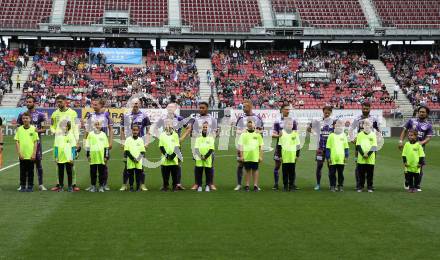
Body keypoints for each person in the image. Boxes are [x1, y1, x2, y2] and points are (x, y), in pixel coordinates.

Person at [180, 101, 218, 191]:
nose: (201, 109)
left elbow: (215, 132)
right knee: (198, 166)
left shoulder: (212, 119)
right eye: (200, 108)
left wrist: (211, 141)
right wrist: (182, 138)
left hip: (208, 145)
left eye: (203, 108)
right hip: (197, 145)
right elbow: (189, 129)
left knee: (210, 165)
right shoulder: (195, 119)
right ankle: (197, 184)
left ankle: (210, 183)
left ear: (207, 108)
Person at [50, 95, 81, 191]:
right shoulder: (54, 114)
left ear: (65, 101)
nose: (59, 103)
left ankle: (73, 184)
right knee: (59, 164)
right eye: (57, 102)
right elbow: (52, 126)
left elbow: (77, 126)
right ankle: (59, 184)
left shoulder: (73, 113)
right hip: (59, 141)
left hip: (70, 141)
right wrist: (54, 132)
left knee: (71, 164)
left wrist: (77, 140)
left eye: (61, 102)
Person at [17, 96, 48, 191]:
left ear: (34, 103)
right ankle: (23, 185)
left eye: (30, 102)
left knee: (38, 164)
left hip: (36, 143)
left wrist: (36, 130)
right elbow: (18, 128)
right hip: (24, 145)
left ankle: (41, 184)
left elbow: (44, 129)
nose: (28, 103)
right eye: (27, 102)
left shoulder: (40, 115)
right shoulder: (21, 114)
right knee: (24, 165)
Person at [398, 106, 432, 191]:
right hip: (409, 147)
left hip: (420, 149)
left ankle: (417, 185)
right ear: (418, 112)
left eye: (423, 112)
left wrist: (421, 143)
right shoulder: (411, 121)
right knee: (407, 165)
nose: (421, 113)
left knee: (419, 166)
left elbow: (428, 137)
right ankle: (407, 180)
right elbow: (404, 131)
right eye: (420, 111)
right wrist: (401, 141)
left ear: (427, 113)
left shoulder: (428, 125)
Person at [120, 98, 151, 191]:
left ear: (140, 104)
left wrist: (147, 142)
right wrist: (122, 142)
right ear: (130, 104)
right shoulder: (126, 116)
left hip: (139, 144)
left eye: (137, 103)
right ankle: (124, 184)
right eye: (133, 103)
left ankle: (142, 184)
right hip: (129, 144)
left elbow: (149, 130)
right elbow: (121, 130)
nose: (135, 105)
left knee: (140, 165)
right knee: (126, 166)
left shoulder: (144, 116)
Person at [349, 101, 381, 190]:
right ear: (361, 108)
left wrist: (378, 141)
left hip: (371, 145)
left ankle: (370, 185)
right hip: (359, 145)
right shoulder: (357, 118)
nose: (365, 110)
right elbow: (351, 129)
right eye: (364, 108)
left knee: (370, 166)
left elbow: (378, 130)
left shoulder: (374, 119)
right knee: (358, 166)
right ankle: (358, 184)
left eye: (367, 108)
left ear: (370, 108)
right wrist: (352, 139)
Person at [84, 98, 113, 191]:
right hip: (92, 145)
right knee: (92, 165)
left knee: (104, 165)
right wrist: (85, 142)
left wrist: (110, 142)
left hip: (102, 145)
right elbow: (87, 130)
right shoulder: (90, 115)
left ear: (101, 105)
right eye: (93, 104)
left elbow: (111, 129)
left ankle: (103, 184)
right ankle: (93, 185)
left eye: (96, 104)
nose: (93, 106)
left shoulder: (106, 115)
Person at [234, 100, 263, 191]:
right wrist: (243, 131)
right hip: (242, 144)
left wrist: (258, 133)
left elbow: (261, 131)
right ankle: (239, 184)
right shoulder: (241, 118)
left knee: (254, 166)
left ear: (250, 107)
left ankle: (255, 185)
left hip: (253, 146)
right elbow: (236, 130)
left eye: (245, 107)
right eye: (243, 107)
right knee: (240, 164)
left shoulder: (257, 118)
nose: (243, 108)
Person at [309, 105, 335, 191]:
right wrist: (313, 132)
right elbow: (308, 128)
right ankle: (318, 184)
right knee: (319, 166)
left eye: (328, 113)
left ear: (331, 113)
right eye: (325, 112)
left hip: (330, 148)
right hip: (320, 148)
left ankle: (331, 185)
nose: (326, 114)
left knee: (330, 166)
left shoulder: (333, 121)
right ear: (323, 112)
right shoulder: (318, 121)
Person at [272, 104, 297, 191]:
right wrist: (279, 135)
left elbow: (295, 133)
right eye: (286, 109)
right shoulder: (277, 121)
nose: (288, 111)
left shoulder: (293, 120)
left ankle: (292, 184)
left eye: (289, 109)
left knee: (292, 165)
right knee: (278, 165)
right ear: (282, 110)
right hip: (280, 146)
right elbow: (273, 134)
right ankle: (276, 184)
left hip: (291, 147)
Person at [14, 112, 39, 192]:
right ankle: (23, 185)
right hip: (22, 155)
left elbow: (35, 142)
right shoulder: (19, 129)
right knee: (22, 172)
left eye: (27, 118)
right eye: (23, 118)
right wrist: (19, 153)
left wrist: (34, 153)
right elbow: (17, 142)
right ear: (22, 119)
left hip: (31, 155)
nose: (25, 120)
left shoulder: (33, 129)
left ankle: (30, 186)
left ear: (30, 119)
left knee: (31, 172)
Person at [238, 120, 264, 192]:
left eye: (251, 124)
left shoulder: (258, 135)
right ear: (247, 126)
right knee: (247, 170)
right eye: (248, 124)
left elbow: (261, 146)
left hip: (255, 156)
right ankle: (247, 185)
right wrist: (242, 156)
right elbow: (240, 146)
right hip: (246, 156)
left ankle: (255, 185)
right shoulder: (243, 134)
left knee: (255, 170)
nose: (250, 125)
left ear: (254, 125)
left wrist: (261, 156)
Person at [86, 121, 110, 192]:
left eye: (98, 124)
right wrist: (88, 155)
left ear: (101, 126)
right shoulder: (90, 134)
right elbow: (87, 146)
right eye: (95, 124)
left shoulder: (103, 134)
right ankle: (93, 186)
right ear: (93, 126)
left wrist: (106, 156)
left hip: (101, 157)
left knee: (101, 172)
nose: (97, 126)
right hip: (93, 157)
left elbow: (106, 147)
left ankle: (101, 186)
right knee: (93, 172)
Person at [325, 120, 349, 192]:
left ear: (341, 127)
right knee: (332, 173)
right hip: (332, 158)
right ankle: (332, 186)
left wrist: (346, 157)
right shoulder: (331, 136)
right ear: (334, 126)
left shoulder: (344, 135)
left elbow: (346, 147)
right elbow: (328, 148)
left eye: (339, 126)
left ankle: (340, 186)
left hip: (341, 159)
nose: (338, 127)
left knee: (340, 173)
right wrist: (328, 157)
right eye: (337, 125)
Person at [278, 118, 301, 192]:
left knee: (292, 172)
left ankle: (291, 186)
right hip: (284, 156)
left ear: (292, 125)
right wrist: (280, 156)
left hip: (292, 156)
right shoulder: (282, 133)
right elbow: (279, 146)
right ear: (285, 125)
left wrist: (297, 155)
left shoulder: (295, 134)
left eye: (291, 124)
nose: (290, 125)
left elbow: (298, 146)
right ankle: (285, 186)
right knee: (285, 172)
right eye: (288, 124)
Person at [355, 119, 377, 193]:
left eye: (368, 124)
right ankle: (360, 186)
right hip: (361, 158)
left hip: (370, 159)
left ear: (371, 125)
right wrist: (363, 154)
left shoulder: (373, 134)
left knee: (370, 174)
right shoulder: (360, 134)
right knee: (361, 174)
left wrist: (368, 154)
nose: (367, 125)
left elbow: (374, 146)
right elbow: (358, 146)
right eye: (365, 124)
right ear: (363, 125)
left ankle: (369, 187)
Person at [54, 121, 76, 192]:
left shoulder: (71, 135)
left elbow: (73, 148)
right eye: (63, 126)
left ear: (68, 127)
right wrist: (56, 157)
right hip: (60, 157)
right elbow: (56, 147)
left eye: (66, 126)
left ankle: (70, 186)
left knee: (69, 172)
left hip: (68, 157)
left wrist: (72, 157)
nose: (64, 127)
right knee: (60, 173)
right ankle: (61, 186)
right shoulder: (58, 136)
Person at [159, 120, 181, 192]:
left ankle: (174, 186)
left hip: (174, 159)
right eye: (167, 124)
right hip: (165, 159)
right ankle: (165, 186)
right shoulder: (162, 135)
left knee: (175, 174)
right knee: (165, 174)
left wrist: (172, 156)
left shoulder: (175, 135)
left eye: (170, 124)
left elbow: (177, 146)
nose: (168, 126)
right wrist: (166, 155)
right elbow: (161, 147)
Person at [193, 122, 215, 192]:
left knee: (208, 173)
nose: (205, 128)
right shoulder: (198, 138)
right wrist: (200, 156)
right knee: (199, 172)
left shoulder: (211, 138)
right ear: (201, 128)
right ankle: (199, 185)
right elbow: (196, 148)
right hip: (199, 158)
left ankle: (207, 185)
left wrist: (205, 156)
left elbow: (211, 149)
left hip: (207, 158)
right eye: (204, 127)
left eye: (206, 127)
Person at [124, 124, 146, 192]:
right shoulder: (128, 140)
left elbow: (142, 151)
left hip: (138, 161)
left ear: (139, 131)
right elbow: (126, 151)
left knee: (138, 174)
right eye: (134, 130)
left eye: (136, 130)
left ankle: (138, 187)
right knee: (130, 174)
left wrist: (138, 159)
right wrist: (133, 158)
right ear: (132, 131)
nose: (135, 131)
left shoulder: (141, 140)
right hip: (131, 160)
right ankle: (131, 187)